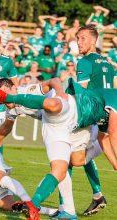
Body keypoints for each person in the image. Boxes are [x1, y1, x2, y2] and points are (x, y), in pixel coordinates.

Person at [0, 78, 117, 220]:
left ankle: (63, 208)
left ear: (13, 88)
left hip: (69, 113)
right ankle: (65, 210)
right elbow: (6, 127)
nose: (4, 104)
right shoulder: (11, 108)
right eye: (1, 97)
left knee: (54, 106)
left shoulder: (27, 90)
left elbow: (54, 80)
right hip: (54, 126)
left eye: (3, 95)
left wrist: (60, 93)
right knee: (63, 166)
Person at [75, 24, 117, 216]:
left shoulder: (84, 62)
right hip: (107, 116)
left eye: (83, 38)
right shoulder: (107, 62)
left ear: (94, 40)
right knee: (81, 157)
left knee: (70, 159)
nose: (79, 42)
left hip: (95, 118)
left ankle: (65, 208)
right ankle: (97, 195)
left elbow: (82, 93)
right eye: (77, 38)